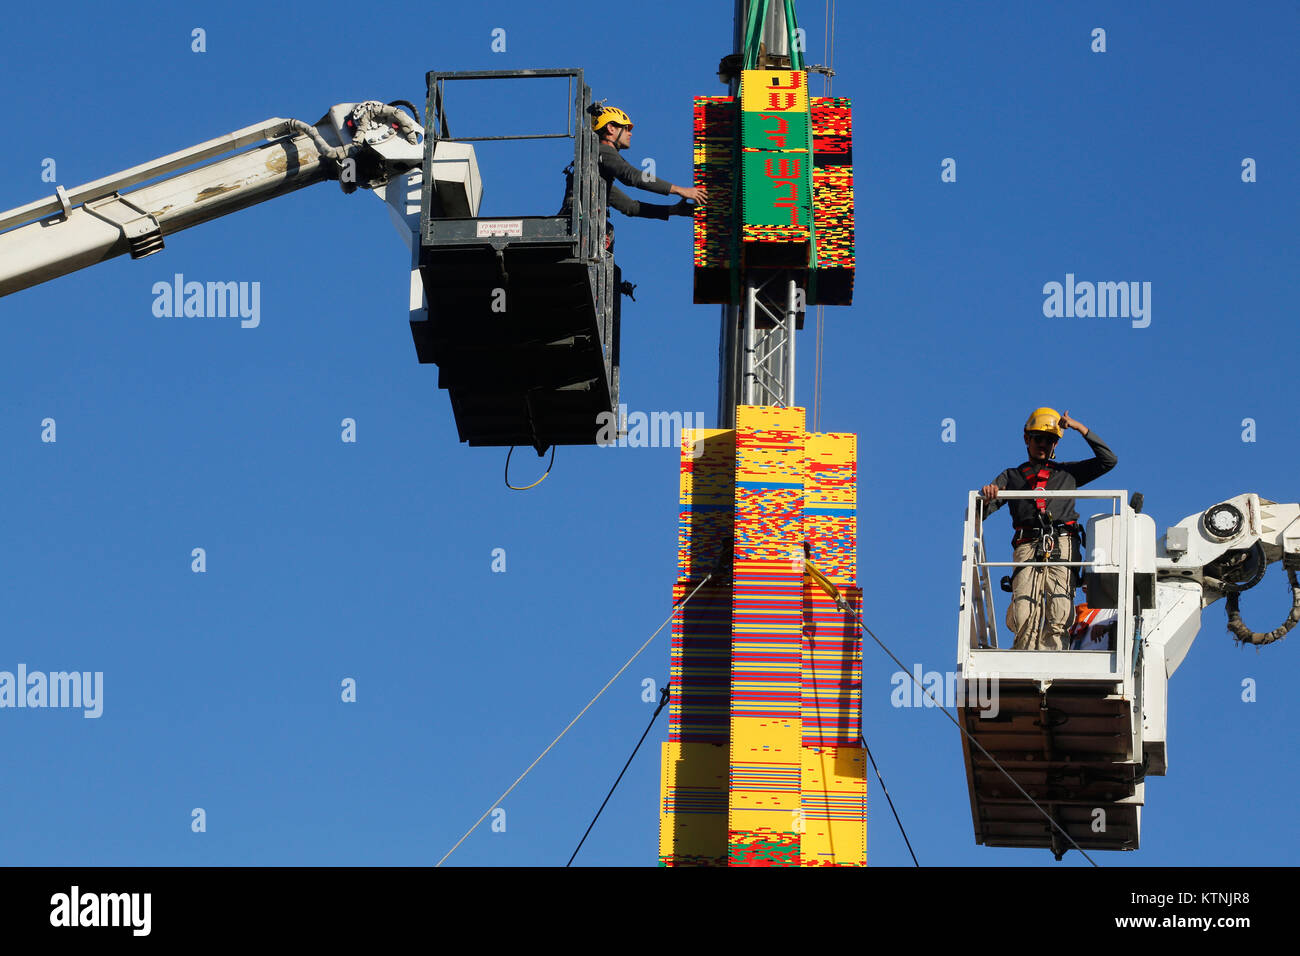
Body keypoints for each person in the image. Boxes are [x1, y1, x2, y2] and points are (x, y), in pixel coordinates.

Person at [980, 408, 1117, 651]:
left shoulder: (1067, 473)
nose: (1043, 444)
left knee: (1060, 609)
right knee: (1023, 608)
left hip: (1063, 542)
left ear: (1055, 444)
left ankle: (1054, 658)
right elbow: (980, 514)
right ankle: (1023, 654)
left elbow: (1108, 460)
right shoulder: (1012, 477)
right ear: (1027, 440)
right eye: (1038, 438)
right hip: (1027, 544)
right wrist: (988, 498)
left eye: (1049, 440)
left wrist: (1078, 427)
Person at [558, 105, 706, 249]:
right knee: (605, 235)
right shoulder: (603, 152)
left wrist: (673, 210)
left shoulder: (597, 180)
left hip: (580, 224)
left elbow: (629, 207)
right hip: (580, 223)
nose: (630, 133)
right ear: (611, 128)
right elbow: (632, 176)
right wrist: (681, 190)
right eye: (626, 128)